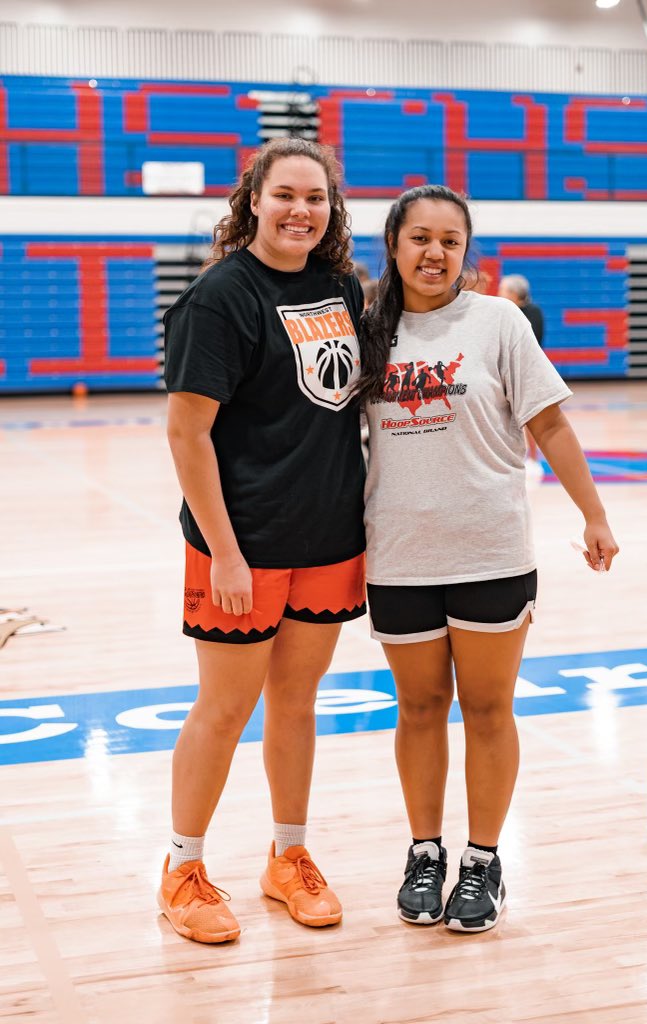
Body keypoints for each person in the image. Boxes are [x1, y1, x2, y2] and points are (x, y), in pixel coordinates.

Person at [356, 184, 618, 934]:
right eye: (420, 238)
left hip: (491, 551)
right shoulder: (370, 331)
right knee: (419, 708)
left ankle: (481, 859)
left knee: (487, 708)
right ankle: (425, 851)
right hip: (400, 557)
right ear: (395, 245)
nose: (435, 252)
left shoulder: (500, 322)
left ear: (466, 251)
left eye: (450, 240)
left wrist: (594, 515)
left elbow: (553, 427)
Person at [160, 138, 366, 943]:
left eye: (315, 198)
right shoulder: (221, 296)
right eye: (284, 195)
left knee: (296, 699)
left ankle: (288, 857)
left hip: (328, 538)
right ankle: (181, 869)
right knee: (225, 706)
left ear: (330, 209)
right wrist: (227, 553)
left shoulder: (341, 285)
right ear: (253, 200)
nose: (299, 210)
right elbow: (187, 437)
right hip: (241, 545)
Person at [498, 274, 546, 470]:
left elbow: (533, 344)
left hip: (526, 372)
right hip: (505, 372)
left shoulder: (528, 314)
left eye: (503, 290)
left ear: (514, 294)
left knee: (531, 418)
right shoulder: (504, 313)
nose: (499, 293)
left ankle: (533, 459)